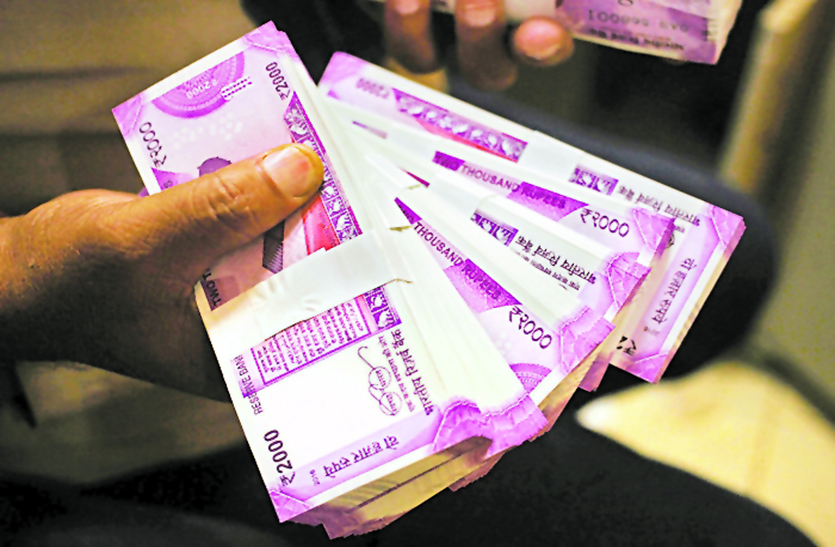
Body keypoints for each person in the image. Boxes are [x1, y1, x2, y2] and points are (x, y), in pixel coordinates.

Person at [0, 2, 814, 545]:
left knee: (724, 265)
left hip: (312, 82)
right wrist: (26, 286)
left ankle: (501, 402)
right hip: (95, 367)